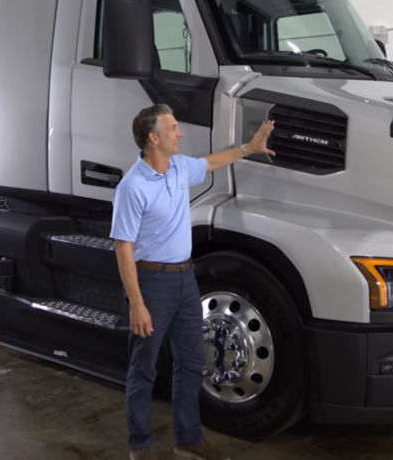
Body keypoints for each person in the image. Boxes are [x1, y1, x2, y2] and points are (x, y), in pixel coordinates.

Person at [111, 103, 275, 460]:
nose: (179, 132)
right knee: (144, 368)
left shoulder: (179, 168)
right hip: (152, 283)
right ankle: (140, 446)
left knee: (191, 362)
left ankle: (187, 439)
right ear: (153, 138)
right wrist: (137, 302)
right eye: (172, 128)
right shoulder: (133, 187)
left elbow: (213, 161)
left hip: (186, 279)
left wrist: (249, 148)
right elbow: (123, 249)